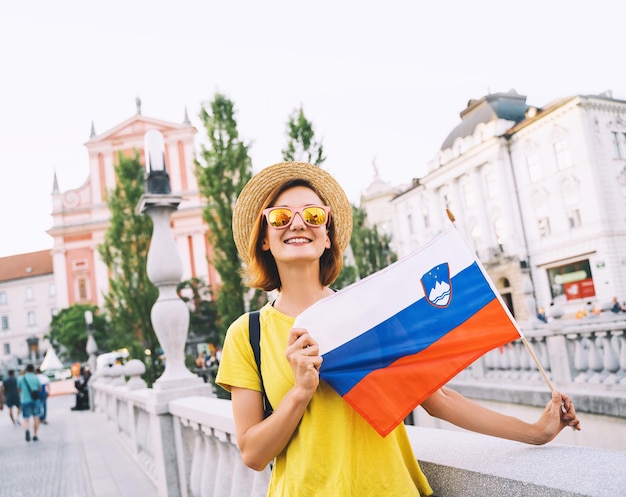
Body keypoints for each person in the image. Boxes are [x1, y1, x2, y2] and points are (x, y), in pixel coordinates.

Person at [215, 161, 581, 497]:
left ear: (328, 236)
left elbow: (439, 400)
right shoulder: (246, 334)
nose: (297, 224)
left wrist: (536, 433)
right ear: (264, 238)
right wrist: (299, 393)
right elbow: (253, 453)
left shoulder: (370, 315)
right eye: (280, 217)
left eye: (313, 215)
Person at [17, 364, 41, 442]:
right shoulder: (36, 377)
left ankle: (27, 430)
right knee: (36, 417)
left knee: (26, 418)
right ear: (33, 369)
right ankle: (35, 435)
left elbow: (18, 389)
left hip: (25, 400)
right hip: (35, 400)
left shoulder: (21, 378)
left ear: (26, 369)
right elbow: (39, 389)